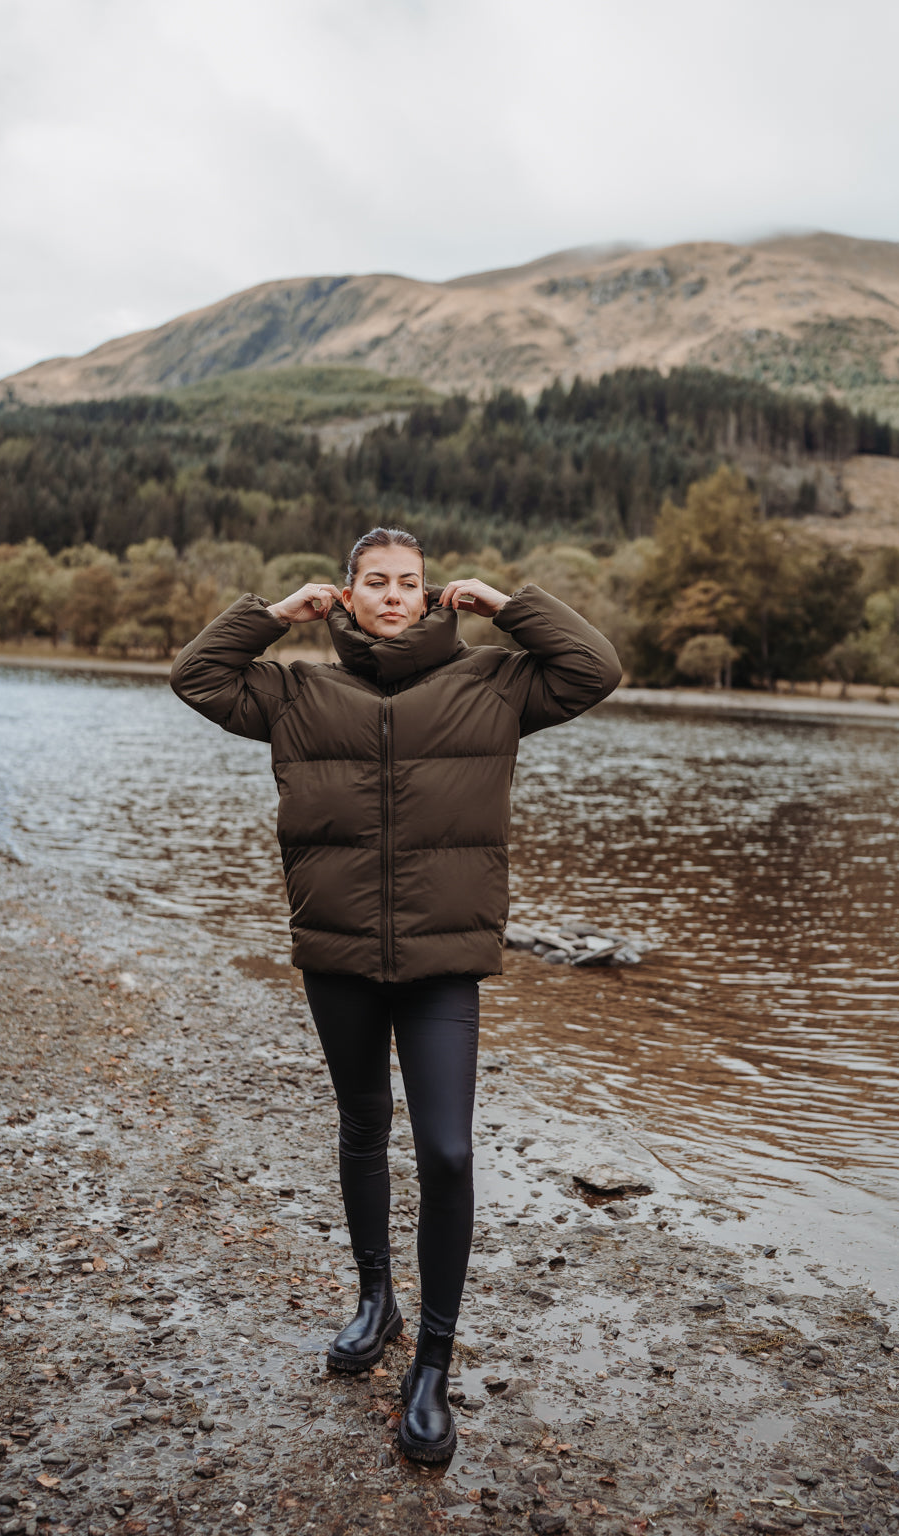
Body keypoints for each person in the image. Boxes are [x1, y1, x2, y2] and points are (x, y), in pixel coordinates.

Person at [169, 526, 621, 1462]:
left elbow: (594, 669)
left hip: (443, 962)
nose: (391, 595)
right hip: (336, 954)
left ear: (429, 596)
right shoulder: (294, 690)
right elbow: (197, 678)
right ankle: (375, 1300)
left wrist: (507, 606)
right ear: (345, 594)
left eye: (407, 583)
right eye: (373, 582)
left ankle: (433, 1369)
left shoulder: (495, 684)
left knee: (448, 1152)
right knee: (363, 1128)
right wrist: (269, 617)